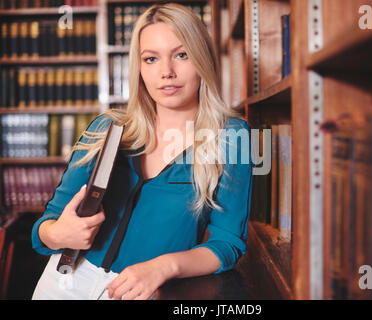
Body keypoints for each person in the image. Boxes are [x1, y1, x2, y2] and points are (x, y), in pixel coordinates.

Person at [31, 3, 253, 300]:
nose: (167, 72)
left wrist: (164, 267)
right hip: (64, 284)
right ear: (139, 67)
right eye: (151, 59)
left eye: (182, 54)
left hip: (144, 291)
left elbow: (228, 243)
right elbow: (43, 229)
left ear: (202, 58)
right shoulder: (106, 129)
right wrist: (58, 233)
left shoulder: (232, 137)